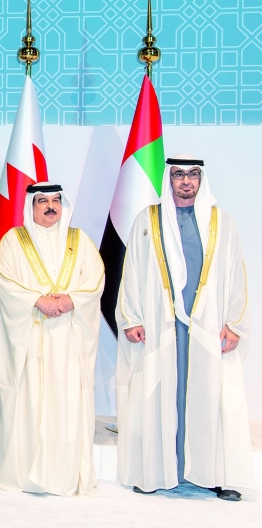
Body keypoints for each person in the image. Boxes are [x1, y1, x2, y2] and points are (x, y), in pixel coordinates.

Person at [116, 154, 253, 501]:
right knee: (161, 394)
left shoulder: (222, 223)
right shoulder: (148, 221)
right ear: (169, 179)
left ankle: (213, 475)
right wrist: (131, 317)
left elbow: (237, 275)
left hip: (207, 329)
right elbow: (131, 271)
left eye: (193, 175)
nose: (186, 181)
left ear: (202, 178)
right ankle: (156, 472)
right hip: (162, 328)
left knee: (210, 396)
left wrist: (235, 324)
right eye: (179, 175)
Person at [0, 183, 105, 496]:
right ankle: (26, 475)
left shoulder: (79, 240)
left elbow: (96, 279)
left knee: (67, 405)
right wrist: (36, 300)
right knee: (30, 405)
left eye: (56, 200)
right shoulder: (13, 241)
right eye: (42, 201)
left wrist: (72, 300)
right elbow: (4, 281)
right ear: (31, 206)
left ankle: (65, 474)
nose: (50, 207)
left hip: (68, 338)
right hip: (31, 338)